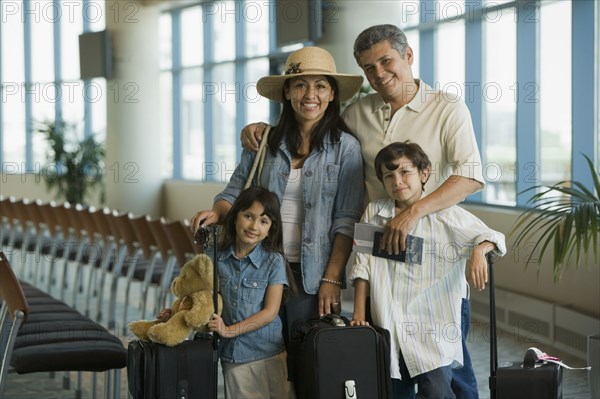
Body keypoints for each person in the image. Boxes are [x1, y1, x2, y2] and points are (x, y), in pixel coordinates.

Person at [240, 25, 485, 398]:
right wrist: (262, 129)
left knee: (448, 370)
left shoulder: (447, 108)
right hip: (379, 263)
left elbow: (470, 176)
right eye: (369, 68)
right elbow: (310, 126)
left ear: (408, 57)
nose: (379, 73)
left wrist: (412, 212)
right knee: (386, 368)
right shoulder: (358, 112)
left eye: (386, 61)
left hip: (435, 265)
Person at [191, 46, 365, 343]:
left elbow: (346, 220)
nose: (311, 94)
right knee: (256, 352)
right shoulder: (263, 141)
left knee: (306, 360)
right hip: (257, 265)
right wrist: (217, 212)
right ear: (287, 93)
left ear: (333, 94)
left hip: (310, 277)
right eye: (300, 85)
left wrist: (332, 278)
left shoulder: (346, 148)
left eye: (321, 86)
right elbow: (234, 191)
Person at [349, 141, 506, 399]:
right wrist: (358, 314)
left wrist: (479, 250)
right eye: (389, 176)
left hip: (433, 328)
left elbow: (493, 236)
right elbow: (362, 265)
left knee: (437, 392)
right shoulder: (375, 212)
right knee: (393, 390)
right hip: (389, 322)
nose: (397, 180)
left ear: (424, 173)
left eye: (405, 172)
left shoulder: (446, 215)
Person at [205, 186, 295, 398]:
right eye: (248, 216)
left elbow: (270, 312)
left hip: (270, 353)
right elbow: (201, 297)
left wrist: (229, 330)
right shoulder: (215, 256)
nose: (254, 226)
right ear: (235, 216)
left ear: (271, 229)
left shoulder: (274, 261)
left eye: (264, 221)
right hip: (236, 357)